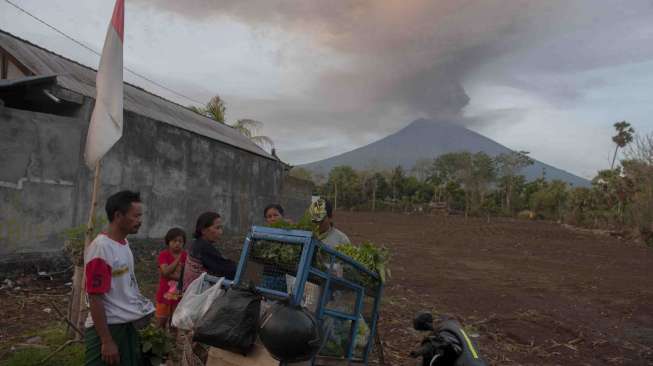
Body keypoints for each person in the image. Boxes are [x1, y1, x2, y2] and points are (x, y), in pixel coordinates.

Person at [84, 190, 155, 366]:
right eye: (136, 216)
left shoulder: (123, 244)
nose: (140, 221)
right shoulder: (102, 249)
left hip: (125, 325)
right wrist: (107, 341)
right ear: (118, 215)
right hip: (109, 328)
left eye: (141, 216)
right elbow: (95, 297)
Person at [182, 212, 237, 291]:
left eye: (221, 228)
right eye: (217, 228)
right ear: (204, 230)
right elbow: (228, 268)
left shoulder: (197, 243)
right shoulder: (204, 247)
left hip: (191, 291)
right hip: (197, 293)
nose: (221, 232)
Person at [155, 228, 187, 329]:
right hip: (164, 294)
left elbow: (187, 274)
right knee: (161, 322)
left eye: (180, 241)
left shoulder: (187, 256)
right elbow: (165, 272)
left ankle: (173, 344)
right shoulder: (163, 255)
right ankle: (159, 343)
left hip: (179, 295)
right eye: (174, 241)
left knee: (175, 323)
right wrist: (178, 259)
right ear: (168, 242)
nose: (177, 244)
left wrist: (172, 275)